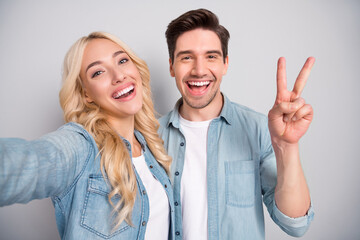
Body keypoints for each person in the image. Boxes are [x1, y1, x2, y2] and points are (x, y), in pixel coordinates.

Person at [0, 31, 175, 240]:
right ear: (86, 94)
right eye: (98, 72)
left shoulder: (152, 149)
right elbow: (29, 162)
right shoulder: (81, 146)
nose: (119, 75)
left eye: (122, 60)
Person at [159, 8, 314, 240]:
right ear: (171, 66)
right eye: (186, 57)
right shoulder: (149, 136)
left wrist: (287, 146)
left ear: (225, 64)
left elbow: (295, 224)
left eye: (211, 56)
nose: (199, 70)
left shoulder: (258, 128)